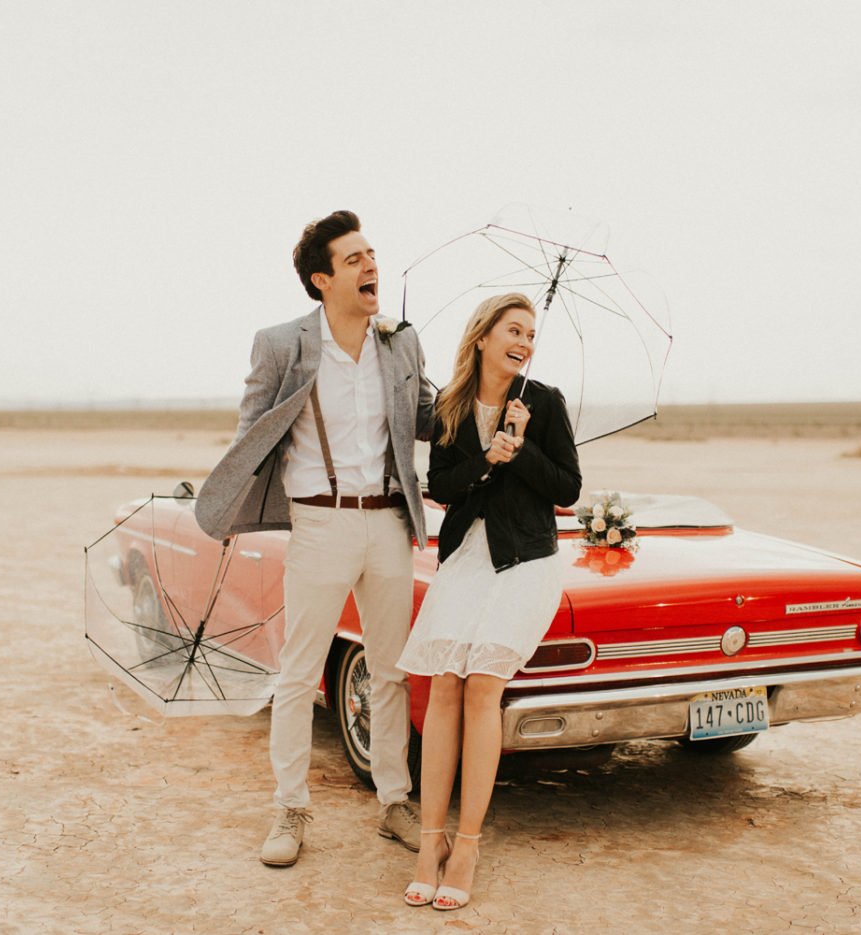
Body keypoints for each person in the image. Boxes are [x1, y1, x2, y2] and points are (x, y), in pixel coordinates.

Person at [192, 210, 433, 866]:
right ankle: (290, 807)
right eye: (354, 259)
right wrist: (231, 505)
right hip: (320, 521)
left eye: (372, 254)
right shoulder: (281, 344)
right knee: (299, 672)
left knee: (391, 671)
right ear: (322, 279)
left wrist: (493, 403)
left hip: (388, 521)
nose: (371, 266)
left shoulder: (400, 342)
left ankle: (394, 801)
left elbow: (431, 418)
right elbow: (253, 434)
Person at [395, 292, 581, 910]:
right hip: (466, 560)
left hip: (526, 558)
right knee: (444, 682)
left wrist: (522, 449)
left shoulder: (544, 402)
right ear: (482, 337)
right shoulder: (449, 407)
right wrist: (485, 460)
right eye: (514, 330)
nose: (525, 341)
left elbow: (569, 489)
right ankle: (431, 841)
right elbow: (440, 485)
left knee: (481, 686)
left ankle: (467, 844)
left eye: (532, 333)